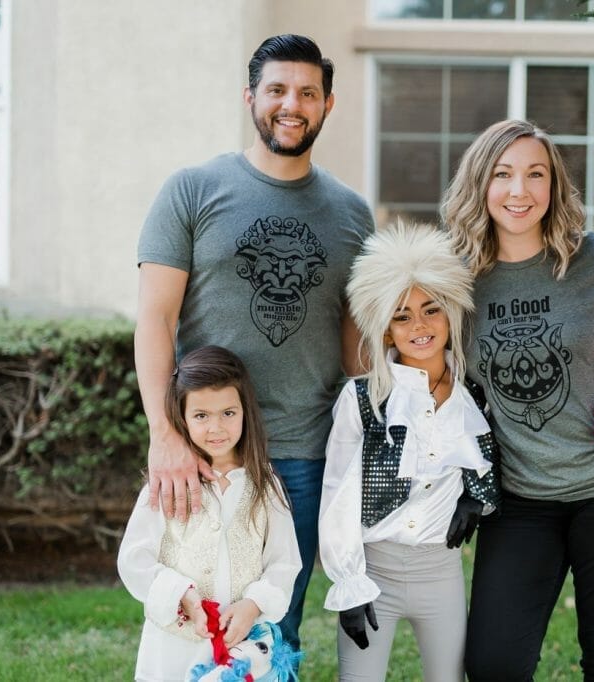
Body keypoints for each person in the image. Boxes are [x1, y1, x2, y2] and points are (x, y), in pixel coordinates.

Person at [134, 34, 374, 650]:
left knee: (270, 633)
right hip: (206, 452)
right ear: (250, 97)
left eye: (307, 93)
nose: (291, 104)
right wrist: (166, 437)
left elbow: (355, 354)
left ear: (327, 105)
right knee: (188, 625)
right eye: (276, 90)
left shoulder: (351, 214)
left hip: (301, 455)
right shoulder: (191, 190)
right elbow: (156, 321)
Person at [441, 119, 594, 681]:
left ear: (554, 185)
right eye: (503, 175)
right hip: (523, 496)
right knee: (494, 664)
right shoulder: (454, 277)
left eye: (535, 174)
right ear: (480, 184)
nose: (519, 191)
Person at [319, 222, 500, 682]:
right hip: (374, 568)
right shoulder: (362, 399)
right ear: (385, 331)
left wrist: (477, 495)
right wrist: (349, 582)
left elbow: (488, 456)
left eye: (431, 309)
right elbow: (338, 493)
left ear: (451, 313)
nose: (419, 326)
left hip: (441, 572)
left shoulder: (472, 394)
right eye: (402, 316)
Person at [117, 345, 302, 682]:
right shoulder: (167, 484)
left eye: (228, 413)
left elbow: (284, 562)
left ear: (245, 412)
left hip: (240, 644)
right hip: (175, 645)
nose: (216, 427)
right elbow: (134, 558)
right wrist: (180, 594)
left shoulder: (265, 485)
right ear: (182, 418)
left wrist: (253, 605)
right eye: (201, 415)